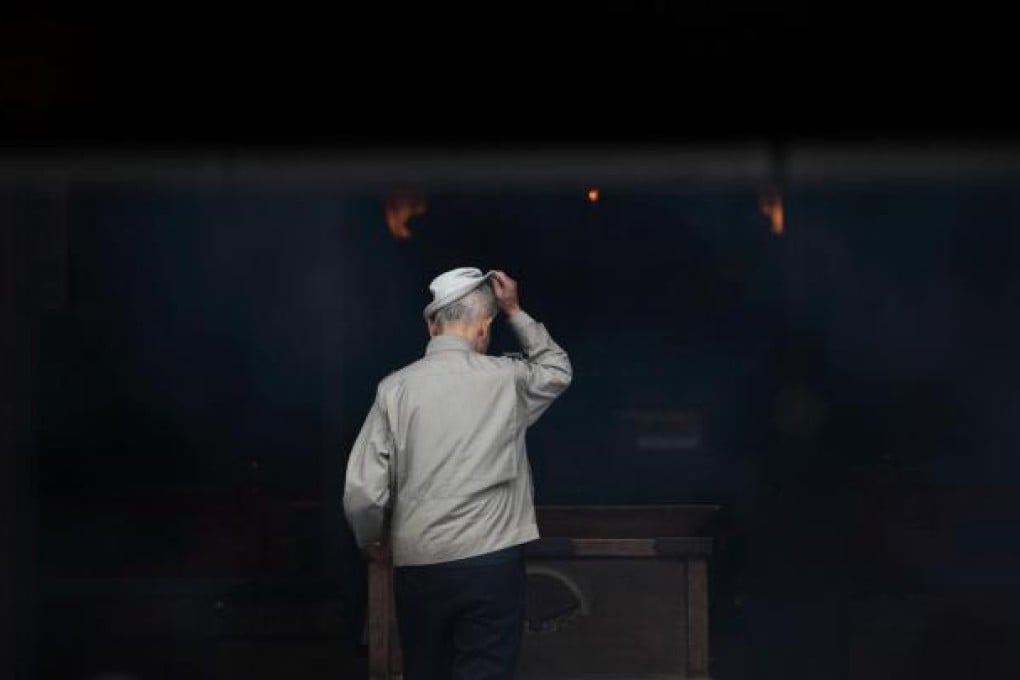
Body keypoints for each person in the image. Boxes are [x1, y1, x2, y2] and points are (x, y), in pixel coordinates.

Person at [343, 266, 572, 680]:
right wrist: (515, 310)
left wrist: (372, 539)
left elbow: (363, 490)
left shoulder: (395, 389)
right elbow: (557, 370)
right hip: (493, 565)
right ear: (485, 327)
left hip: (419, 566)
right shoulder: (508, 379)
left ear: (433, 327)